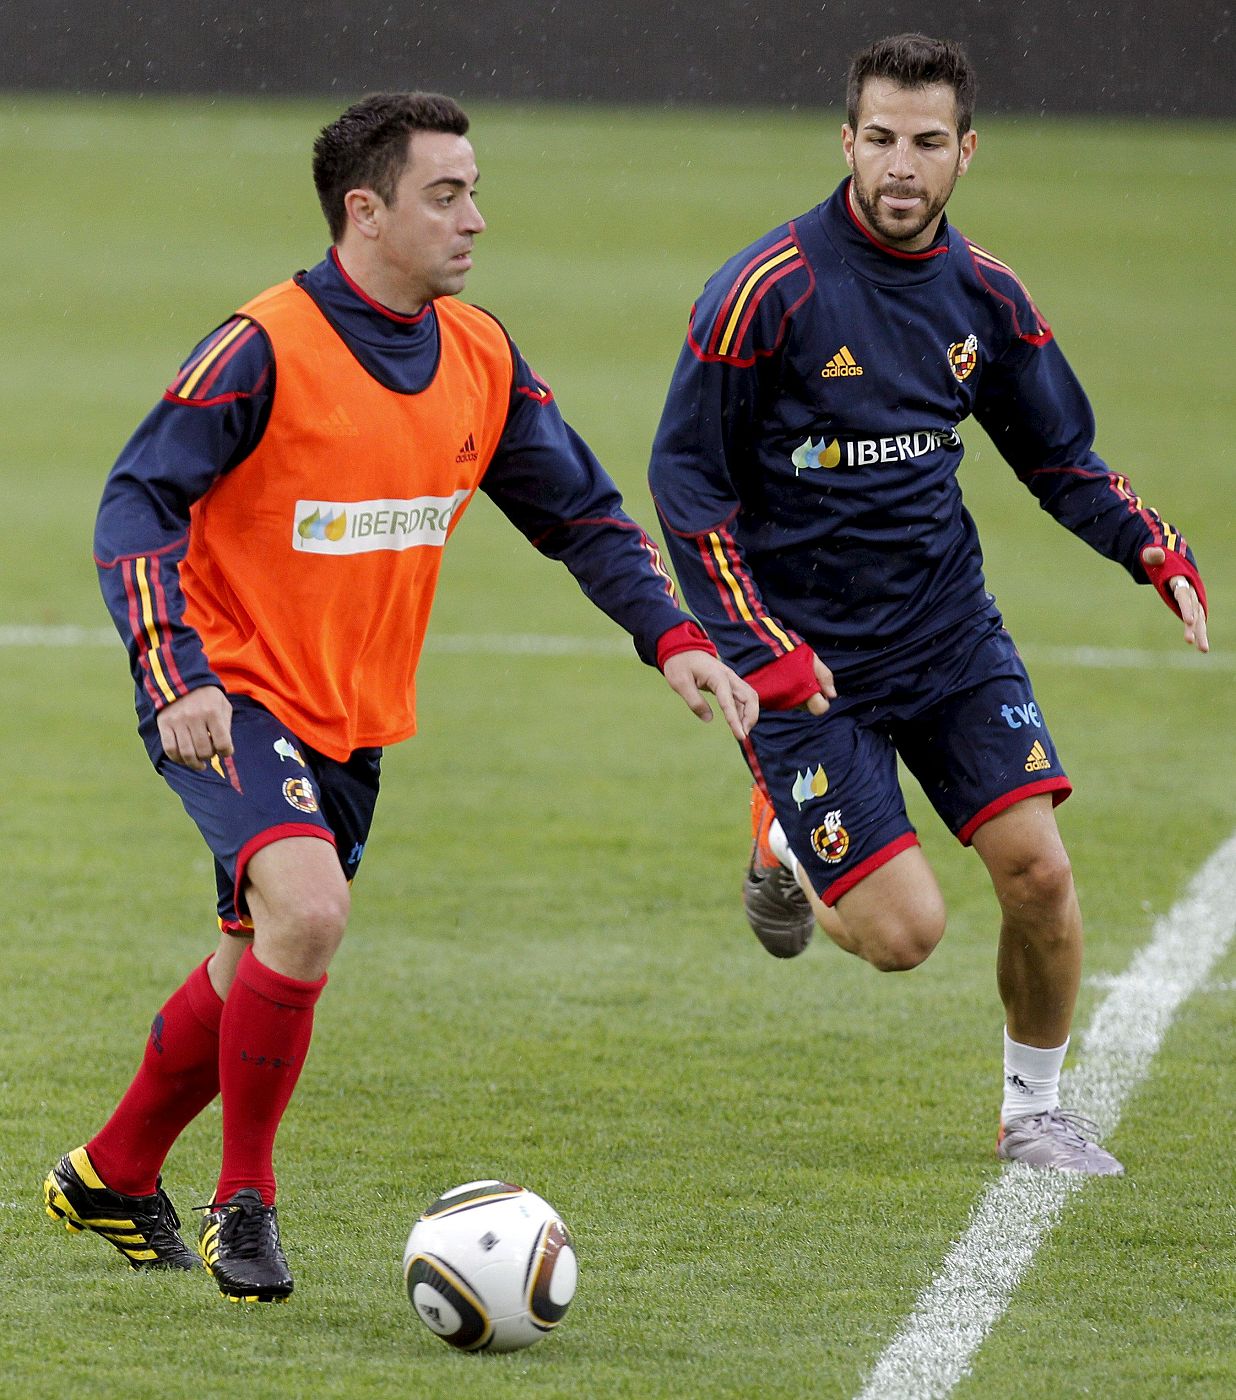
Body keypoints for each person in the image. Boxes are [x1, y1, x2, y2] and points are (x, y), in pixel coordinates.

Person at [44, 91, 757, 1302]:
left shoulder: (479, 353)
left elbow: (579, 514)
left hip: (352, 714)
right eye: (446, 194)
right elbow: (134, 507)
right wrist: (177, 675)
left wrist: (675, 636)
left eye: (474, 190)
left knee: (254, 955)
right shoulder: (262, 345)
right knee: (309, 913)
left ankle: (109, 1172)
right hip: (229, 693)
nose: (476, 218)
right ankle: (245, 1201)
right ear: (364, 213)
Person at [647, 33, 1209, 1176]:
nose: (904, 166)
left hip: (951, 639)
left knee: (1041, 872)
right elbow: (686, 484)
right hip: (804, 668)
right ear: (848, 140)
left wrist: (1150, 547)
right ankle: (786, 841)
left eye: (930, 143)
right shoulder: (765, 292)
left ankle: (1035, 1111)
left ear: (967, 152)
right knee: (905, 937)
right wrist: (758, 651)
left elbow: (1059, 456)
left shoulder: (985, 296)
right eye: (884, 140)